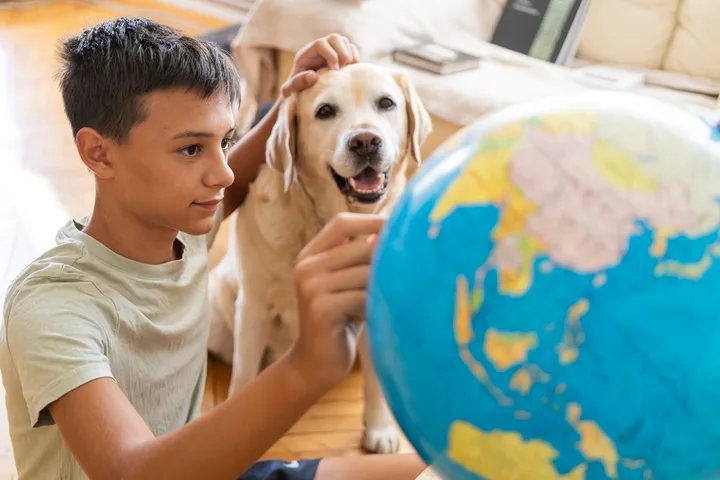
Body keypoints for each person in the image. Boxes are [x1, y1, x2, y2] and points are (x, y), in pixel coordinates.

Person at [0, 17, 426, 480]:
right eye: (190, 150)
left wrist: (291, 97)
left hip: (201, 467)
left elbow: (241, 172)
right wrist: (306, 367)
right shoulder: (53, 308)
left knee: (447, 470)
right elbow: (129, 472)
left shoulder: (180, 227)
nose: (222, 174)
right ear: (99, 153)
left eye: (224, 142)